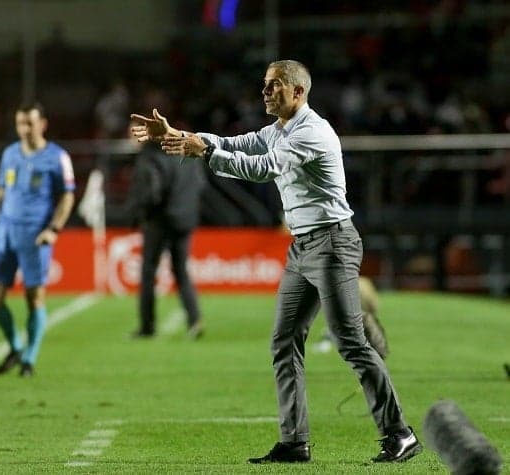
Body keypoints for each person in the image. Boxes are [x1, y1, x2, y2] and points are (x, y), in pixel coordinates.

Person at [130, 60, 422, 464]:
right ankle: (294, 442)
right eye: (265, 85)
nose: (264, 92)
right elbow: (241, 143)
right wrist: (180, 135)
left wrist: (206, 151)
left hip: (332, 243)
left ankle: (400, 434)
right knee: (284, 342)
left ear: (298, 92)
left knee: (351, 342)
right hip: (304, 247)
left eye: (274, 86)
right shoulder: (280, 129)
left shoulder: (312, 132)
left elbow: (263, 168)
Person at [0, 102, 75, 377]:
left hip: (35, 235)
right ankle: (15, 346)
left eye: (30, 123)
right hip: (4, 232)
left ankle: (30, 360)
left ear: (42, 124)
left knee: (34, 297)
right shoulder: (9, 154)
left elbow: (67, 196)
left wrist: (53, 229)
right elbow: (0, 193)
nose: (24, 129)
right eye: (20, 123)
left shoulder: (57, 157)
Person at [127, 135, 205, 339]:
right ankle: (195, 319)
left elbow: (151, 192)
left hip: (159, 221)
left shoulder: (150, 157)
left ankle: (147, 326)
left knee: (148, 272)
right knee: (181, 271)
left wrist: (141, 214)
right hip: (185, 219)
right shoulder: (186, 154)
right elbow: (200, 184)